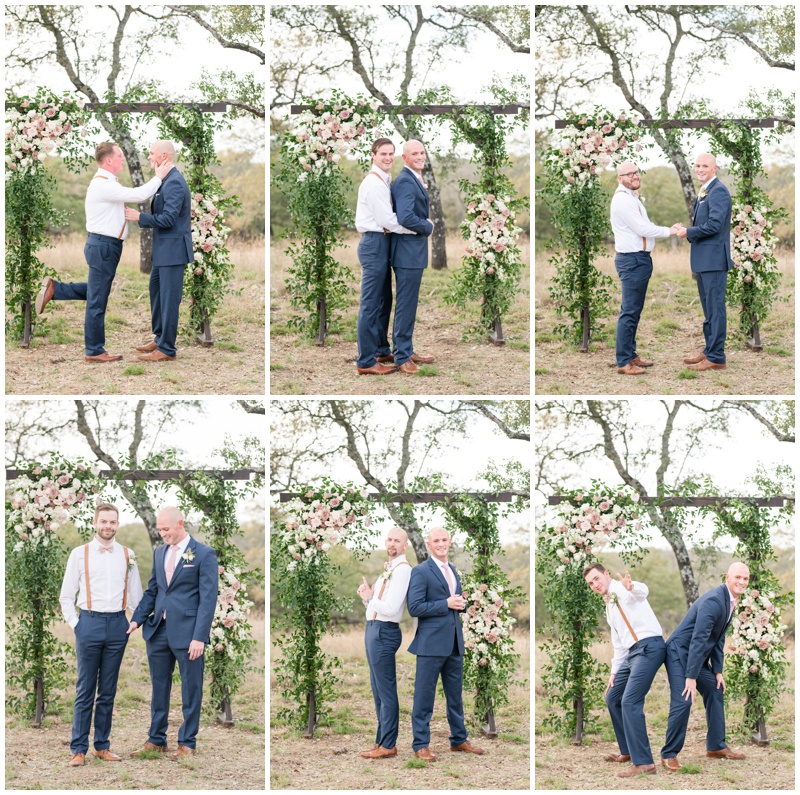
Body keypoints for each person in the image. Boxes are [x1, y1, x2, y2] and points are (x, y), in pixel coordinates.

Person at [35, 142, 173, 362]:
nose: (122, 158)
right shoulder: (103, 184)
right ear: (109, 160)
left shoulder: (107, 182)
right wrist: (159, 176)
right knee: (97, 300)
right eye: (119, 155)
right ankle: (94, 350)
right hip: (103, 246)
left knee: (98, 292)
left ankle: (57, 289)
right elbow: (140, 195)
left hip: (105, 246)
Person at [128, 506, 218, 760]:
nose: (163, 533)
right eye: (160, 529)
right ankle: (156, 739)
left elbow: (208, 600)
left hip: (189, 635)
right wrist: (136, 620)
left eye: (166, 529)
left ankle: (187, 742)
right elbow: (153, 591)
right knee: (159, 687)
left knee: (191, 689)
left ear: (180, 523)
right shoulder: (160, 553)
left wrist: (199, 637)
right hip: (158, 631)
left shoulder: (203, 554)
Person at [59, 502, 144, 766]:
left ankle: (102, 746)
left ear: (117, 524)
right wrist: (77, 624)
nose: (108, 526)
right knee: (85, 689)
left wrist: (134, 622)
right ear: (95, 523)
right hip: (89, 623)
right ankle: (78, 749)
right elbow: (66, 596)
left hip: (118, 626)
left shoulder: (128, 555)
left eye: (112, 522)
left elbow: (136, 596)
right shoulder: (79, 554)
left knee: (108, 691)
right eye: (104, 521)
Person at [660, 562, 750, 770]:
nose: (742, 582)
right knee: (684, 698)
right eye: (738, 577)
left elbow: (717, 638)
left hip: (694, 654)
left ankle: (716, 746)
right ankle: (669, 754)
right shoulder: (713, 601)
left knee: (715, 688)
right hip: (678, 652)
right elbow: (699, 639)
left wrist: (717, 671)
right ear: (727, 577)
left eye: (745, 578)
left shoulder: (729, 601)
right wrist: (690, 677)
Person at [406, 527, 483, 761]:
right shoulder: (420, 571)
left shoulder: (452, 570)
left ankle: (459, 740)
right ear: (429, 545)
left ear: (450, 542)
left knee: (455, 695)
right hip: (430, 645)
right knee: (424, 697)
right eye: (436, 540)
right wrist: (446, 603)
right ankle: (421, 744)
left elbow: (453, 604)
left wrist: (464, 604)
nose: (441, 543)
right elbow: (415, 607)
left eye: (444, 539)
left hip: (454, 644)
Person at [583, 563, 666, 777]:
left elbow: (641, 592)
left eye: (597, 579)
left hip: (649, 646)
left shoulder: (623, 589)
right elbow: (618, 642)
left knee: (630, 702)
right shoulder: (608, 605)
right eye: (591, 583)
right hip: (631, 653)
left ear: (606, 574)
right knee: (613, 697)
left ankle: (644, 763)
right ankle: (627, 751)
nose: (595, 585)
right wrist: (614, 672)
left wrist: (631, 586)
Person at [124, 141, 193, 362]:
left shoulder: (174, 183)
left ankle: (167, 350)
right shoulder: (165, 181)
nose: (149, 157)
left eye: (151, 153)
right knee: (157, 294)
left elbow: (169, 219)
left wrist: (139, 217)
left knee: (169, 300)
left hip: (173, 252)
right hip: (163, 252)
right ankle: (160, 337)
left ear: (164, 156)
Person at [610, 161, 680, 375]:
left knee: (635, 310)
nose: (634, 176)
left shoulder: (632, 199)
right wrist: (671, 231)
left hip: (639, 259)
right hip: (632, 260)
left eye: (636, 172)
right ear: (619, 178)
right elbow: (643, 228)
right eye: (629, 174)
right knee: (629, 311)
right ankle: (623, 362)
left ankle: (630, 354)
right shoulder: (622, 200)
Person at [355, 138, 416, 375]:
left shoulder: (385, 179)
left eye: (391, 153)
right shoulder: (374, 184)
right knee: (370, 304)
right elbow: (388, 221)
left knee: (384, 301)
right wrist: (415, 228)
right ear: (373, 155)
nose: (388, 157)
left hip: (382, 241)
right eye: (383, 154)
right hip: (374, 243)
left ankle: (381, 349)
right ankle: (365, 361)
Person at [356, 527, 412, 758]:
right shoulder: (388, 569)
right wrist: (367, 596)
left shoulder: (402, 570)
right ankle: (381, 741)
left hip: (384, 632)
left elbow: (390, 608)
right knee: (377, 690)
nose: (392, 543)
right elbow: (376, 607)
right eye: (389, 538)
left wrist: (370, 597)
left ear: (405, 545)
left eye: (397, 540)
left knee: (386, 691)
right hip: (373, 628)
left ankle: (389, 745)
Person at [674, 153, 734, 371]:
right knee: (708, 308)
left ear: (714, 168)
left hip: (714, 261)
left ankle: (717, 356)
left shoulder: (718, 191)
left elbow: (714, 226)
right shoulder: (705, 190)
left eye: (704, 166)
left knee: (716, 309)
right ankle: (709, 349)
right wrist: (688, 231)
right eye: (697, 165)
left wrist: (687, 232)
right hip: (703, 260)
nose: (699, 169)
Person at [388, 140, 436, 374]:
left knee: (409, 304)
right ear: (404, 158)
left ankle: (406, 348)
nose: (419, 156)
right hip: (407, 252)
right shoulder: (406, 181)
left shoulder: (413, 178)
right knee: (406, 305)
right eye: (414, 153)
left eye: (422, 152)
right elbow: (405, 217)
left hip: (411, 251)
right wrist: (428, 227)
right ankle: (401, 356)